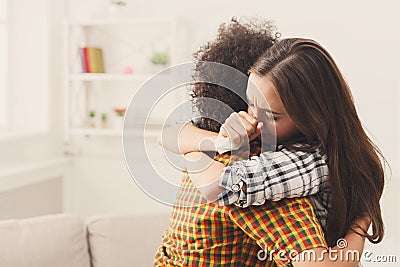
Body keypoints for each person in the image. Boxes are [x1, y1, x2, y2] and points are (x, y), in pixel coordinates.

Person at [154, 18, 371, 267]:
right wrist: (220, 141)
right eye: (251, 102)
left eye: (272, 115)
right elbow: (167, 135)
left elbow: (219, 185)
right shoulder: (225, 145)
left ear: (312, 117)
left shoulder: (284, 171)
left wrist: (194, 153)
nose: (255, 119)